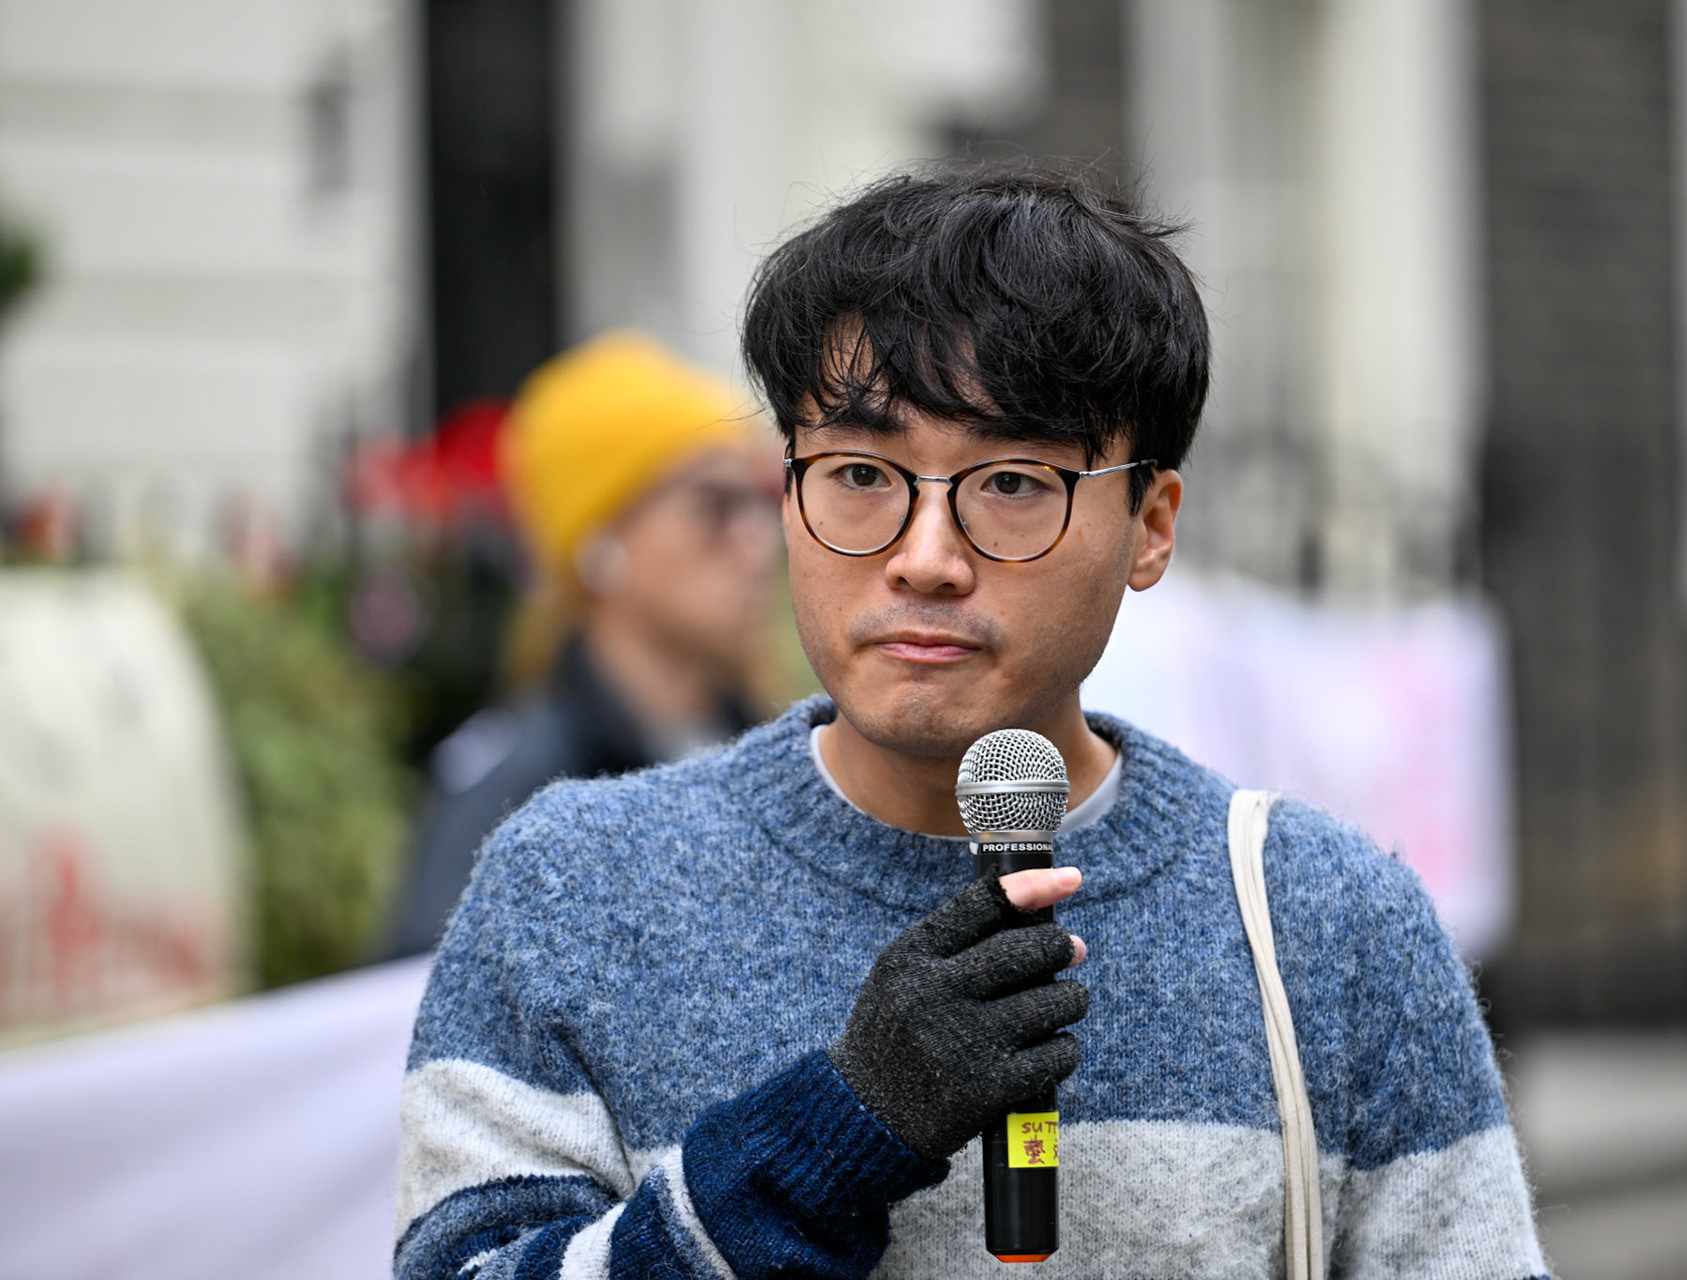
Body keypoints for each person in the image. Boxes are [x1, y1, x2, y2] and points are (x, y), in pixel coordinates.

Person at [396, 166, 1548, 1279]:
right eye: (859, 472)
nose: (926, 558)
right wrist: (840, 1126)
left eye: (1009, 482)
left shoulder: (1330, 928)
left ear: (1151, 523)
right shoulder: (569, 892)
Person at [386, 333, 780, 957]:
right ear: (601, 546)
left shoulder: (776, 751)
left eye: (761, 503)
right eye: (714, 505)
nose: (759, 543)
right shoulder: (512, 792)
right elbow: (408, 1009)